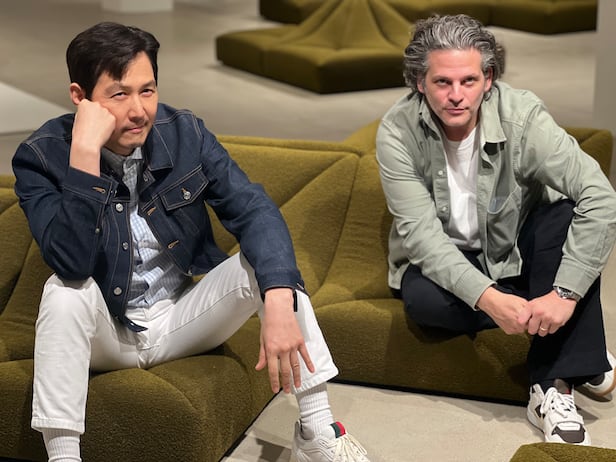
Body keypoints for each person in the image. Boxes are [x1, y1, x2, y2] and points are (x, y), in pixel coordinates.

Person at [12, 21, 370, 462]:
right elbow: (71, 262)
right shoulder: (41, 156)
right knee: (63, 292)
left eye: (147, 90)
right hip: (108, 334)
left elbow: (254, 210)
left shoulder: (184, 133)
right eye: (119, 94)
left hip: (181, 320)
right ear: (79, 97)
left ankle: (316, 431)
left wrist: (278, 297)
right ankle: (64, 457)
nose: (139, 110)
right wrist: (84, 157)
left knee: (269, 269)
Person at [376, 14, 616, 446]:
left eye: (468, 80)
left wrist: (565, 295)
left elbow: (600, 196)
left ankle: (551, 388)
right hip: (449, 255)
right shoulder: (397, 130)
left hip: (515, 246)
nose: (456, 95)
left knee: (563, 217)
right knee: (424, 303)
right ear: (419, 82)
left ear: (488, 79)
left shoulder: (521, 114)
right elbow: (423, 239)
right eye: (442, 82)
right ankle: (583, 349)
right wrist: (490, 298)